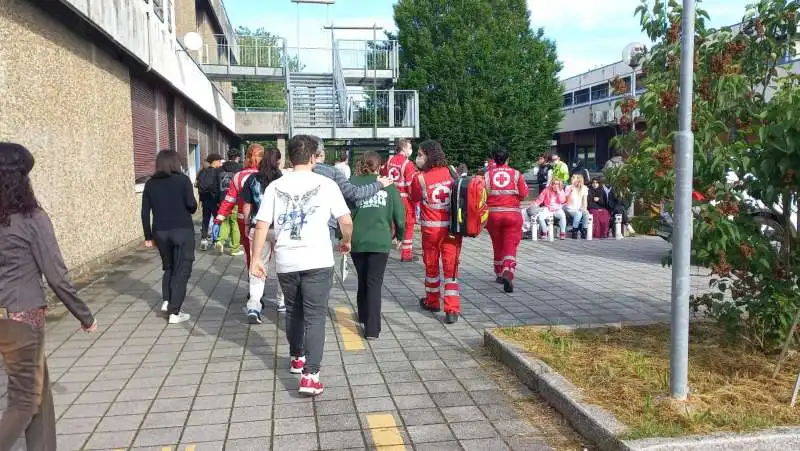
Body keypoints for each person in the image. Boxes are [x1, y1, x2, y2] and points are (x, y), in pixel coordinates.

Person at [0, 142, 97, 450]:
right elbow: (56, 274)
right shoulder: (31, 219)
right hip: (22, 315)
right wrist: (84, 315)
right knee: (26, 402)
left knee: (37, 395)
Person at [250, 135, 352, 397]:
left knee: (294, 311)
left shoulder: (276, 186)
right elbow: (345, 220)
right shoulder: (326, 183)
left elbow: (261, 225)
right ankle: (311, 375)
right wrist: (346, 242)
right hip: (318, 258)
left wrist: (255, 259)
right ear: (312, 157)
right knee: (315, 316)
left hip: (287, 259)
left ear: (291, 157)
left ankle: (297, 358)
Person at [350, 151, 406, 339]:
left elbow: (345, 213)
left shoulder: (352, 183)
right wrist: (400, 235)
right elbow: (399, 215)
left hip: (357, 239)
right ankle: (372, 329)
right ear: (380, 166)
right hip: (380, 240)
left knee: (362, 278)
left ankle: (363, 314)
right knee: (374, 283)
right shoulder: (388, 186)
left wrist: (342, 237)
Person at [142, 149, 198, 324]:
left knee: (169, 267)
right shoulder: (182, 180)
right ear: (176, 163)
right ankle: (175, 312)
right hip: (182, 230)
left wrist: (148, 236)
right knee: (182, 270)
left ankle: (167, 301)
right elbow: (192, 205)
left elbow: (144, 213)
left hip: (160, 232)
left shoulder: (150, 184)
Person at [410, 140, 463, 324]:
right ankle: (452, 309)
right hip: (451, 230)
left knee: (431, 267)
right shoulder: (450, 171)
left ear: (429, 156)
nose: (417, 158)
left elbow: (414, 197)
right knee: (451, 269)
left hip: (430, 230)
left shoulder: (420, 179)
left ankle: (432, 301)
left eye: (420, 154)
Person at [312, 139, 393, 244]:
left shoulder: (288, 175)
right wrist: (378, 184)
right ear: (321, 152)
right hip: (325, 226)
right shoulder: (332, 172)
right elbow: (354, 193)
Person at [241, 147, 285, 323]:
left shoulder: (252, 179)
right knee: (282, 265)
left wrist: (246, 224)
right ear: (278, 161)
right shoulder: (281, 179)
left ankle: (254, 304)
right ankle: (282, 302)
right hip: (279, 228)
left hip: (258, 227)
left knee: (258, 264)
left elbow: (246, 205)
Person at [485, 146, 529, 293]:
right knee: (510, 244)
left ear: (493, 159)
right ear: (508, 159)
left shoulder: (487, 175)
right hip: (512, 214)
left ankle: (498, 273)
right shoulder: (517, 174)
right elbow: (523, 194)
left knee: (497, 243)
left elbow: (483, 195)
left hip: (493, 215)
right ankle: (508, 270)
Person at [380, 139, 417, 262]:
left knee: (391, 224)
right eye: (409, 147)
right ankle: (406, 254)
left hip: (390, 196)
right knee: (408, 224)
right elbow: (411, 185)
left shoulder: (389, 161)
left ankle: (381, 248)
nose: (411, 150)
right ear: (404, 148)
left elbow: (383, 175)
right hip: (404, 198)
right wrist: (415, 200)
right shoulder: (408, 164)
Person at [213, 149, 245, 256]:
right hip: (235, 201)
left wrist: (218, 201)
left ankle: (220, 241)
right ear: (237, 157)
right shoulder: (241, 169)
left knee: (225, 222)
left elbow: (216, 187)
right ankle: (235, 248)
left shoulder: (219, 170)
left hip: (223, 200)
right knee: (234, 223)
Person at [196, 153, 222, 251]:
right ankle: (216, 240)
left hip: (205, 199)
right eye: (219, 161)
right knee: (217, 220)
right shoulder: (217, 172)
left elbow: (198, 185)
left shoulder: (202, 172)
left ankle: (203, 240)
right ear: (215, 161)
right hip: (214, 200)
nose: (220, 163)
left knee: (205, 219)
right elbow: (219, 187)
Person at [564, 174, 590, 239]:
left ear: (578, 180)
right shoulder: (568, 187)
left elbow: (585, 201)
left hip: (579, 208)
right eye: (572, 177)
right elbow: (567, 201)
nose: (572, 178)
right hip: (569, 207)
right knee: (578, 214)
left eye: (574, 177)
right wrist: (571, 190)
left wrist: (585, 209)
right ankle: (574, 232)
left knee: (586, 214)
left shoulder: (584, 188)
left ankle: (584, 232)